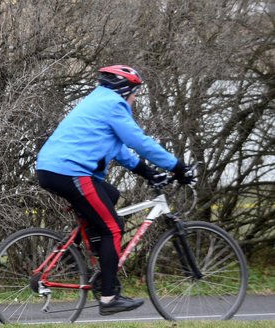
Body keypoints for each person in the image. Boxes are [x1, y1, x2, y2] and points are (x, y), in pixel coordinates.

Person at [35, 65, 195, 316]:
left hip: (54, 169)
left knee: (110, 196)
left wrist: (147, 172)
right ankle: (109, 298)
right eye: (134, 92)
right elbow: (139, 141)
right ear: (123, 88)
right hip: (71, 171)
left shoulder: (98, 102)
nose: (134, 98)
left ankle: (76, 255)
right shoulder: (113, 104)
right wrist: (178, 167)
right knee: (112, 228)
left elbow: (119, 149)